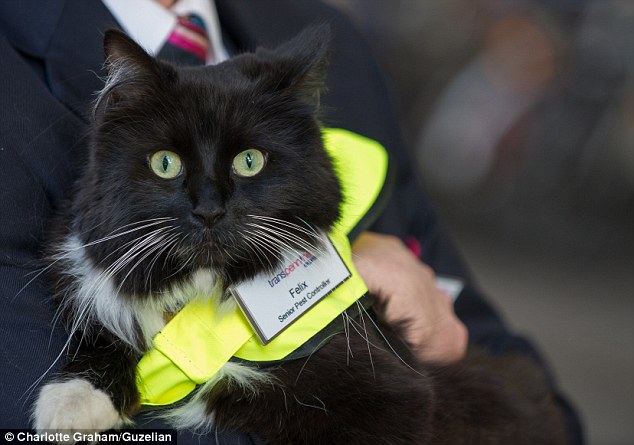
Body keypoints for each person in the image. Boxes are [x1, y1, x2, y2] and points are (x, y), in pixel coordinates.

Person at [0, 1, 583, 443]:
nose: (208, 208)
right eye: (168, 164)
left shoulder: (335, 43)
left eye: (249, 163)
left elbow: (512, 366)